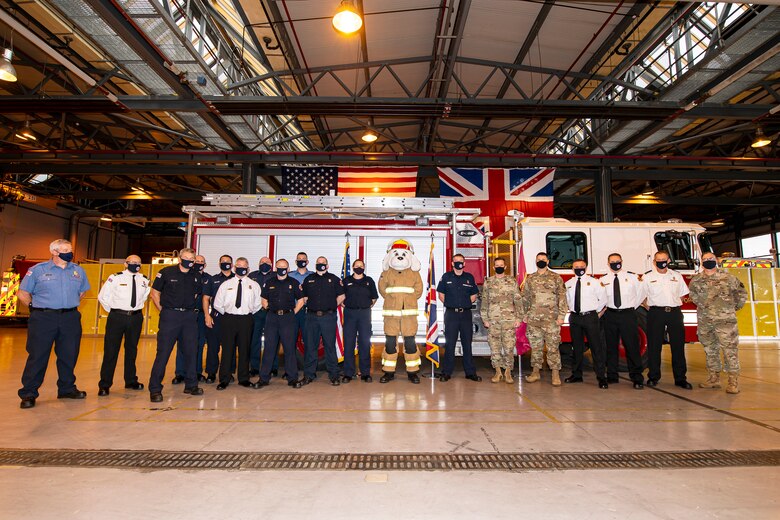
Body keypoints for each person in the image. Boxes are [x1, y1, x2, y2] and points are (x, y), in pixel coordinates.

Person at [17, 239, 90, 409]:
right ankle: (29, 393)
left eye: (70, 249)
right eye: (65, 249)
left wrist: (67, 305)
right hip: (43, 318)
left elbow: (82, 292)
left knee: (69, 354)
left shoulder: (78, 271)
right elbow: (23, 293)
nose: (69, 252)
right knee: (38, 355)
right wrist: (33, 308)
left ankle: (66, 388)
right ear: (55, 252)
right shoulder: (37, 270)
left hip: (70, 317)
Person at [148, 248, 204, 402]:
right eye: (186, 258)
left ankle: (191, 385)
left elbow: (195, 295)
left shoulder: (196, 276)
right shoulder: (166, 272)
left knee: (191, 352)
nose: (189, 260)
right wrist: (164, 310)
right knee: (163, 353)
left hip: (189, 317)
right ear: (180, 259)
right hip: (170, 316)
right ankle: (155, 389)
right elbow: (154, 293)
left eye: (192, 258)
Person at [689, 252, 747, 394]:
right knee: (710, 350)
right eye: (705, 259)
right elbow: (693, 296)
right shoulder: (696, 280)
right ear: (701, 262)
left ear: (716, 260)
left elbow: (741, 294)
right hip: (705, 321)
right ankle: (713, 378)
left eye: (711, 259)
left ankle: (733, 381)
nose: (708, 261)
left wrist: (731, 309)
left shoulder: (729, 278)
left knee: (729, 350)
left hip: (725, 322)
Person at [96, 254, 150, 396]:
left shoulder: (144, 280)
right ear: (126, 264)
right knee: (111, 351)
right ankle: (105, 384)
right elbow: (102, 297)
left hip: (135, 317)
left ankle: (131, 380)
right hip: (117, 317)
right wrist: (114, 311)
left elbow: (144, 297)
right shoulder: (115, 278)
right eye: (132, 262)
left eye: (138, 262)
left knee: (132, 350)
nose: (135, 264)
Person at [643, 251, 692, 389]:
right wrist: (652, 309)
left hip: (674, 313)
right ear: (654, 261)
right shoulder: (647, 277)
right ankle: (653, 377)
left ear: (669, 260)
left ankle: (680, 378)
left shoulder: (676, 276)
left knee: (678, 346)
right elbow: (642, 296)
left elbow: (682, 295)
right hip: (656, 313)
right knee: (654, 346)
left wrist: (672, 305)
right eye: (658, 260)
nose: (661, 262)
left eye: (664, 259)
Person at [378, 239, 424, 384]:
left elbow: (419, 291)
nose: (399, 256)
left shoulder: (414, 273)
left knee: (410, 344)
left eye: (403, 254)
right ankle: (388, 372)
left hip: (409, 317)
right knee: (390, 344)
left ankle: (412, 372)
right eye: (396, 253)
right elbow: (382, 289)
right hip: (391, 316)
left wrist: (407, 300)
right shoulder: (386, 273)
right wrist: (394, 300)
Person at [212, 257, 261, 390]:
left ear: (248, 268)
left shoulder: (254, 285)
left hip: (246, 319)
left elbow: (257, 305)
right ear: (234, 268)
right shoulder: (226, 285)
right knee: (227, 349)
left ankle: (244, 379)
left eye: (244, 266)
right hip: (228, 319)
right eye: (239, 265)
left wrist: (245, 312)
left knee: (245, 349)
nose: (241, 268)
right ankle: (224, 379)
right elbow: (217, 304)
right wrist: (229, 313)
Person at [520, 252, 567, 386]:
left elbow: (562, 297)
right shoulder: (530, 279)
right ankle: (535, 372)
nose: (540, 261)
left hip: (551, 319)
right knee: (536, 347)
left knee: (553, 347)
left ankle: (555, 374)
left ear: (548, 261)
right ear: (535, 261)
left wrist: (561, 316)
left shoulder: (555, 278)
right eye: (538, 259)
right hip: (534, 320)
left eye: (543, 259)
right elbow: (525, 298)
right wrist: (525, 314)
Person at [600, 253, 647, 389]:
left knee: (632, 346)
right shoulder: (603, 280)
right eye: (612, 262)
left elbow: (641, 294)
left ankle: (637, 377)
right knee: (611, 346)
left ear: (622, 261)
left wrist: (632, 306)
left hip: (628, 314)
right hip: (610, 314)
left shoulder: (632, 278)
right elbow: (601, 298)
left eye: (617, 261)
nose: (615, 263)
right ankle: (612, 375)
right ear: (608, 264)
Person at [257, 259, 304, 389]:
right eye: (279, 267)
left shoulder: (294, 283)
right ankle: (264, 378)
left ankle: (292, 378)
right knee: (269, 348)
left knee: (289, 349)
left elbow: (300, 300)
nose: (282, 269)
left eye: (284, 267)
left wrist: (293, 312)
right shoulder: (269, 282)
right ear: (275, 268)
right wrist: (268, 309)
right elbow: (263, 299)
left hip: (288, 318)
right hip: (272, 318)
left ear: (288, 269)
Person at [564, 259, 609, 388]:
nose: (579, 269)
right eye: (576, 267)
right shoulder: (569, 284)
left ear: (586, 267)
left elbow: (603, 299)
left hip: (590, 317)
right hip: (575, 318)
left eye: (581, 266)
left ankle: (601, 377)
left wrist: (597, 313)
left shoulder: (595, 282)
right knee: (577, 348)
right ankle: (577, 375)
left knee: (596, 347)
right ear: (572, 269)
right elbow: (567, 300)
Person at [301, 256, 346, 386]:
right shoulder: (309, 279)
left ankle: (334, 375)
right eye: (318, 263)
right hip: (312, 317)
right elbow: (304, 296)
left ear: (327, 266)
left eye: (323, 263)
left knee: (330, 347)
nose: (320, 264)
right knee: (311, 347)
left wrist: (332, 305)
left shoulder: (334, 279)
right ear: (315, 265)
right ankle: (309, 375)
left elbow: (342, 295)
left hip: (328, 317)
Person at [437, 254, 481, 382]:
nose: (458, 263)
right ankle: (446, 372)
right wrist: (452, 305)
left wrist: (465, 304)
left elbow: (474, 295)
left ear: (464, 263)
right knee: (449, 344)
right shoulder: (446, 277)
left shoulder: (469, 277)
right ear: (452, 263)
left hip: (466, 314)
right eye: (456, 261)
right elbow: (441, 295)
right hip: (451, 314)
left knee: (467, 343)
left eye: (461, 261)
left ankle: (470, 372)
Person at [480, 257, 523, 384]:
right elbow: (484, 302)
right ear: (493, 268)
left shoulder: (512, 281)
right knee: (495, 347)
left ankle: (508, 372)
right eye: (496, 265)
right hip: (493, 320)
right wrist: (485, 319)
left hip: (509, 320)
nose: (499, 267)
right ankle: (498, 372)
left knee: (509, 347)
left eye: (501, 265)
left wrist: (519, 318)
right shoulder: (489, 282)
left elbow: (518, 301)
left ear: (505, 267)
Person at [173, 255, 210, 382]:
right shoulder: (187, 275)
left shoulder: (208, 278)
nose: (199, 263)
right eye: (197, 261)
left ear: (205, 265)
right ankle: (180, 373)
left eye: (201, 262)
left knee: (199, 344)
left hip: (200, 314)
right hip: (187, 314)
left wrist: (207, 315)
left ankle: (197, 372)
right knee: (182, 343)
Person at [342, 258, 378, 383]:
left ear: (364, 267)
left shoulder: (369, 281)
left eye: (361, 265)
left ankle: (365, 373)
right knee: (349, 344)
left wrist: (365, 306)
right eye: (357, 265)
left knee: (364, 343)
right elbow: (341, 297)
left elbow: (374, 298)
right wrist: (346, 306)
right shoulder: (346, 281)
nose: (359, 267)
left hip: (364, 314)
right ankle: (348, 373)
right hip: (350, 314)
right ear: (352, 267)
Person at [202, 254, 235, 384]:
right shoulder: (212, 279)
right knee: (213, 347)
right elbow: (206, 298)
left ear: (232, 264)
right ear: (219, 263)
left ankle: (228, 372)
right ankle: (211, 373)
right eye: (223, 261)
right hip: (216, 317)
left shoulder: (237, 278)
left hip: (232, 317)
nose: (225, 263)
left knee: (230, 346)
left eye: (228, 262)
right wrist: (207, 315)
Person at [248, 257, 275, 377]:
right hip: (256, 312)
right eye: (262, 262)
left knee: (272, 340)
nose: (264, 264)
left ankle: (272, 367)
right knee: (254, 340)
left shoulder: (275, 275)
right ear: (258, 264)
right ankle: (254, 367)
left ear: (272, 264)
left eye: (267, 262)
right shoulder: (251, 276)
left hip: (271, 312)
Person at [289, 252, 313, 360]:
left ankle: (308, 369)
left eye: (304, 259)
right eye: (299, 259)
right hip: (292, 311)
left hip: (307, 312)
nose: (301, 260)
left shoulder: (313, 275)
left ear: (307, 262)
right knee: (290, 341)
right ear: (296, 261)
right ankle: (290, 369)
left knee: (308, 341)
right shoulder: (289, 275)